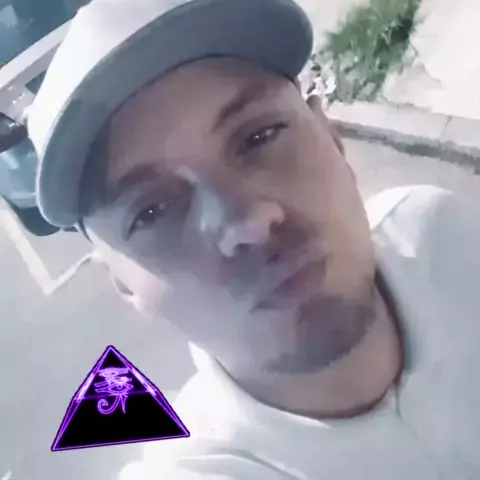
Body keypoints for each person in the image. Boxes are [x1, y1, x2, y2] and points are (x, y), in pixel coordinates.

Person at [28, 0, 480, 478]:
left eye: (260, 137)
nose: (249, 223)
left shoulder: (440, 234)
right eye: (152, 212)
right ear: (123, 283)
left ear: (330, 135)